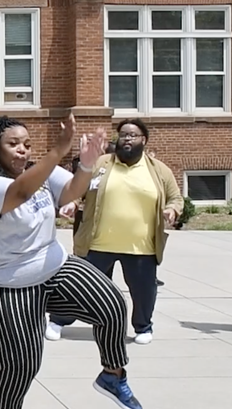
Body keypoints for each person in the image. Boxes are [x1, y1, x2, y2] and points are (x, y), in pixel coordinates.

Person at [0, 114, 141, 409]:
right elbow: (22, 190)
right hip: (5, 284)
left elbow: (71, 190)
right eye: (13, 144)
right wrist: (59, 148)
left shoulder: (43, 172)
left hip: (54, 266)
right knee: (21, 362)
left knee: (112, 303)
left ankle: (112, 374)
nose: (22, 150)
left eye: (27, 144)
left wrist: (85, 165)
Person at [48, 120, 182, 344]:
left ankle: (143, 327)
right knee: (80, 284)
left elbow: (175, 197)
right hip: (99, 243)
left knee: (143, 291)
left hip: (141, 246)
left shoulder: (159, 170)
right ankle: (58, 321)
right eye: (123, 135)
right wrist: (72, 203)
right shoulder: (102, 163)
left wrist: (171, 209)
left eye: (133, 135)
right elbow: (81, 187)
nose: (127, 139)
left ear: (144, 140)